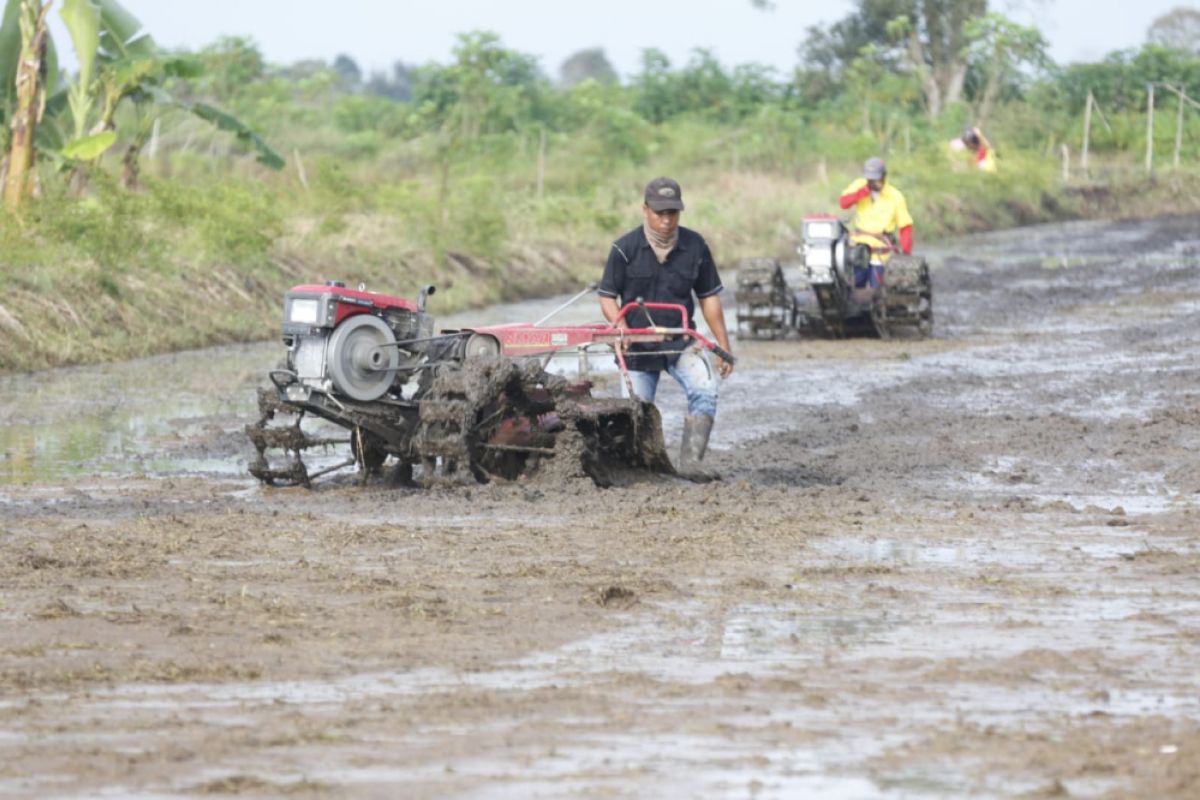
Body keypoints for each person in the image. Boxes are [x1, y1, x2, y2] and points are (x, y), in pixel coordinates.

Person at [598, 176, 734, 473]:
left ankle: (691, 462)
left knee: (705, 389)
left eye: (672, 212)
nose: (666, 220)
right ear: (645, 210)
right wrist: (619, 325)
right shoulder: (624, 249)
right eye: (660, 212)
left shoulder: (696, 246)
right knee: (636, 410)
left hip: (680, 339)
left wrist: (723, 344)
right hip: (637, 345)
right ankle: (641, 465)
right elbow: (607, 297)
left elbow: (709, 297)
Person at [838, 157, 914, 288]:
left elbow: (905, 227)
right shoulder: (859, 185)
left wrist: (906, 253)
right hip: (858, 251)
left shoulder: (895, 196)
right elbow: (844, 203)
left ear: (884, 176)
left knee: (877, 291)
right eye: (870, 180)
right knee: (854, 288)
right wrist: (862, 193)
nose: (873, 183)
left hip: (881, 253)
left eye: (876, 180)